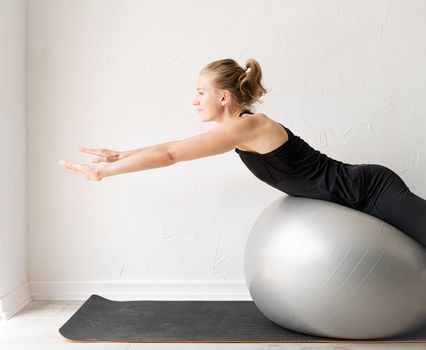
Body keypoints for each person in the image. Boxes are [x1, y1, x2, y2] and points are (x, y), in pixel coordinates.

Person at [59, 58, 426, 247]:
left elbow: (172, 154)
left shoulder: (247, 125)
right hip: (354, 196)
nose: (194, 99)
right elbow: (171, 147)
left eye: (200, 91)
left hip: (370, 189)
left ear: (224, 97)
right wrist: (120, 154)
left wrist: (105, 173)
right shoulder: (236, 130)